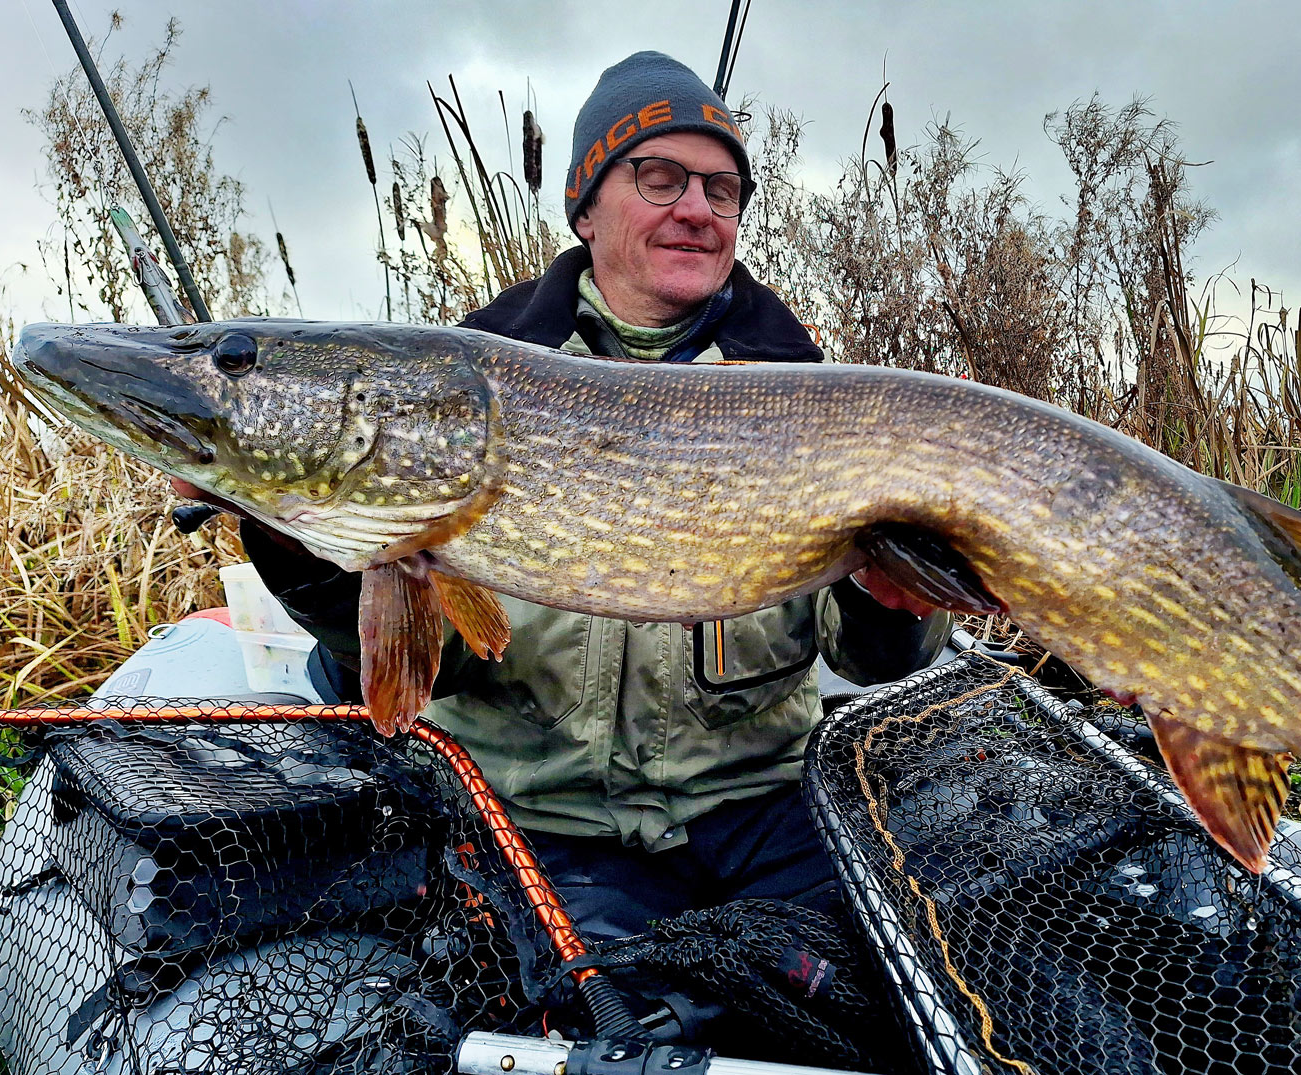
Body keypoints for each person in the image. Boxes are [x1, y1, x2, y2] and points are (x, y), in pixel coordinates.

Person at [223, 51, 953, 941]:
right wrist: (292, 542)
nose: (697, 208)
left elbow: (874, 660)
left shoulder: (812, 397)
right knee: (589, 999)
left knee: (905, 960)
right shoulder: (459, 393)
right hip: (543, 822)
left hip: (765, 812)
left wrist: (899, 598)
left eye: (722, 190)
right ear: (584, 206)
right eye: (660, 178)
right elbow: (434, 665)